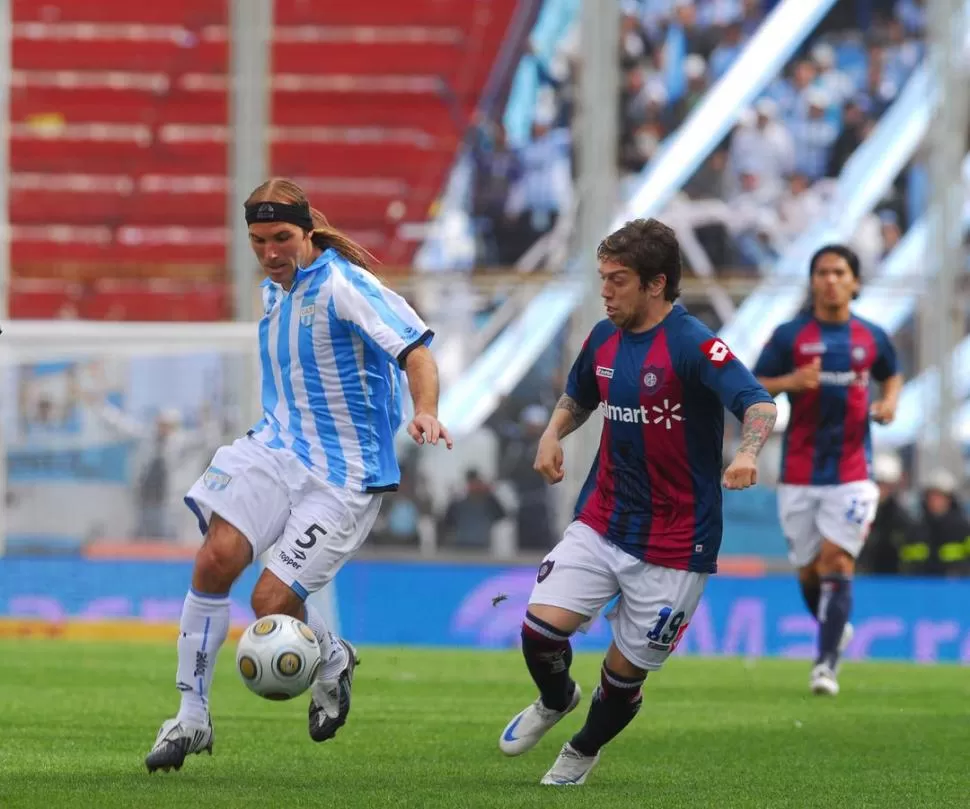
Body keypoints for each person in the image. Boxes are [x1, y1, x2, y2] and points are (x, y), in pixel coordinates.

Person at [145, 178, 452, 773]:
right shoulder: (272, 292)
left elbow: (416, 350)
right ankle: (190, 717)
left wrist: (426, 411)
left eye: (282, 237)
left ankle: (332, 655)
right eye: (258, 240)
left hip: (343, 476)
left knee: (270, 601)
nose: (270, 252)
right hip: (276, 449)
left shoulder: (344, 285)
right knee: (215, 558)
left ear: (308, 231)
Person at [498, 218, 776, 786]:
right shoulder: (603, 337)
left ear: (656, 284)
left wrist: (748, 452)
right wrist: (553, 433)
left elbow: (759, 402)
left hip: (677, 541)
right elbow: (580, 394)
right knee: (539, 632)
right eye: (602, 277)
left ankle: (580, 751)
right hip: (605, 517)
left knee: (623, 679)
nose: (605, 291)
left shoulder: (694, 344)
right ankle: (556, 698)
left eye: (617, 279)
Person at [753, 244, 901, 696]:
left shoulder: (871, 336)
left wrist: (889, 403)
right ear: (813, 281)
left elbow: (891, 372)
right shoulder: (790, 337)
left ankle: (825, 664)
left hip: (854, 472)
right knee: (807, 571)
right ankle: (835, 626)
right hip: (798, 472)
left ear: (854, 282)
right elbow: (754, 384)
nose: (830, 280)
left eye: (839, 272)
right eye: (822, 272)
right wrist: (789, 383)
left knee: (837, 560)